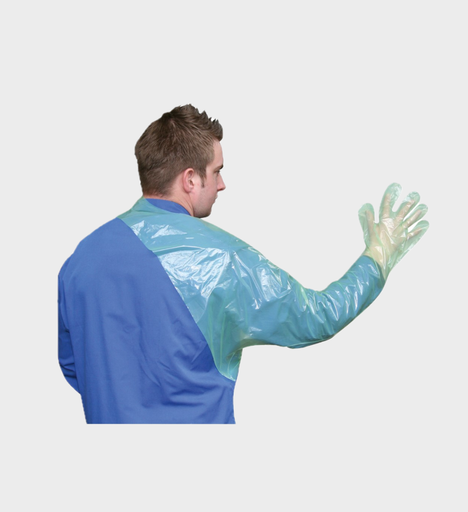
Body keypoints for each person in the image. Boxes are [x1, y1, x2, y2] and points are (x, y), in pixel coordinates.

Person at [58, 104, 429, 424]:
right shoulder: (220, 259)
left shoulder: (80, 259)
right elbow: (316, 317)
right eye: (216, 171)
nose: (221, 184)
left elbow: (74, 366)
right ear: (190, 179)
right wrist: (377, 258)